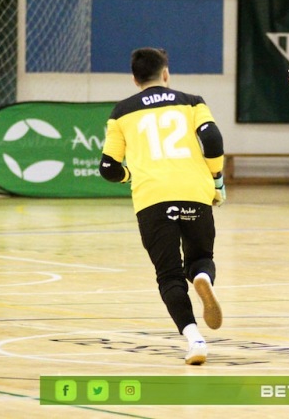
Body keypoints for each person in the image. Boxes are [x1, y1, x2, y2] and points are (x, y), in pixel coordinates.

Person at [99, 47, 226, 366]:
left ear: (134, 79)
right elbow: (212, 139)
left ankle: (195, 340)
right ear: (166, 74)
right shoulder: (192, 101)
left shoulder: (121, 112)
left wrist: (130, 174)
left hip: (152, 198)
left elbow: (107, 167)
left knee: (168, 275)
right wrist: (217, 178)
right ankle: (202, 279)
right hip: (194, 190)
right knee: (200, 258)